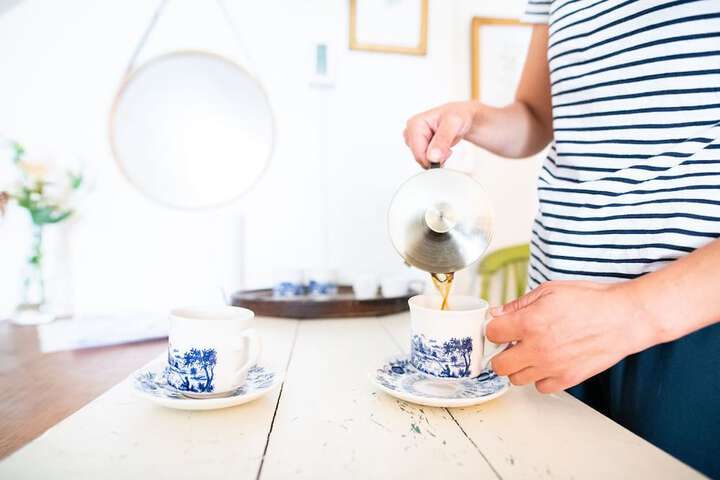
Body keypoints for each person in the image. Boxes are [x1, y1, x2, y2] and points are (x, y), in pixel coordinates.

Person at [403, 1, 720, 477]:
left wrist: (632, 312)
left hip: (690, 329)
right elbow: (536, 118)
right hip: (554, 325)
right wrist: (472, 118)